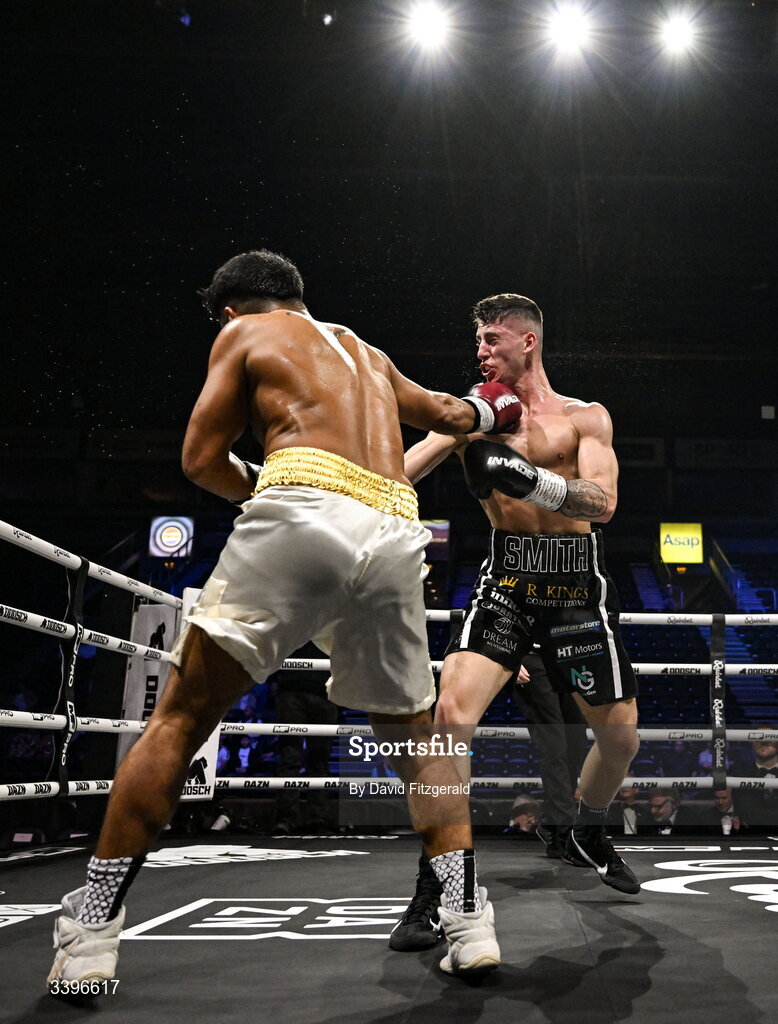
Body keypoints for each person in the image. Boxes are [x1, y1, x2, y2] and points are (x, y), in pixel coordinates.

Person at [47, 249, 526, 991]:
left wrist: (269, 495)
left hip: (305, 502)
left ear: (234, 308)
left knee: (180, 717)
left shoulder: (242, 333)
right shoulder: (365, 351)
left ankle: (91, 938)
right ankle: (468, 924)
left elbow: (201, 459)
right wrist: (496, 409)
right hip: (399, 527)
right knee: (414, 734)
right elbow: (450, 414)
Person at [391, 292, 641, 953]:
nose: (480, 350)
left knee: (619, 741)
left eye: (492, 339)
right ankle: (435, 883)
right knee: (451, 721)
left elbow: (604, 503)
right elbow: (401, 472)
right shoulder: (474, 416)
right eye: (477, 339)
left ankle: (588, 828)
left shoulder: (585, 418)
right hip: (506, 580)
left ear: (526, 342)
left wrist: (530, 482)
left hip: (577, 585)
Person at [513, 647, 588, 858]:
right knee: (554, 747)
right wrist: (511, 658)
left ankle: (552, 827)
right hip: (533, 659)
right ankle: (566, 833)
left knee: (575, 744)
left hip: (572, 656)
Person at [733, 728, 778, 834]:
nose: (763, 742)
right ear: (751, 743)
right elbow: (747, 812)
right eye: (758, 738)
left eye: (769, 737)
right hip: (752, 837)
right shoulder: (740, 775)